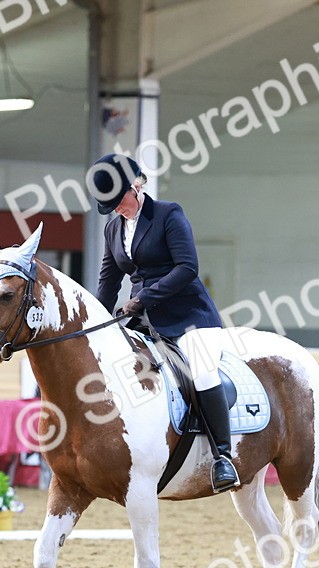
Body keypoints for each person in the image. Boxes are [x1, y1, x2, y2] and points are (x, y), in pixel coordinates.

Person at [86, 154, 239, 492]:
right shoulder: (114, 228)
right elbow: (109, 282)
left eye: (117, 201)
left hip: (188, 317)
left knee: (201, 370)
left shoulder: (168, 214)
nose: (114, 209)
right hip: (142, 320)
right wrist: (93, 326)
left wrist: (143, 298)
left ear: (134, 186)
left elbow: (187, 268)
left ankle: (222, 458)